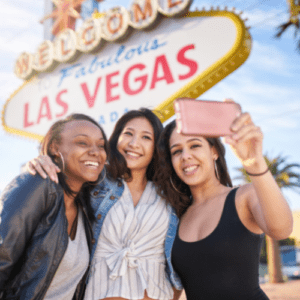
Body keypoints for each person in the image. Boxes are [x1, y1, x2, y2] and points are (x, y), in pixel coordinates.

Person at [26, 108, 183, 300]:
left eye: (146, 137)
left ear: (156, 147)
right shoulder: (95, 181)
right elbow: (65, 173)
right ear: (116, 138)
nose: (134, 143)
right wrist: (42, 161)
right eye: (128, 134)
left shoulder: (171, 192)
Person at [154, 104, 293, 300]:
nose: (185, 156)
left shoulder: (244, 196)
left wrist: (255, 163)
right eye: (176, 151)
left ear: (214, 152)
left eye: (194, 145)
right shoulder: (175, 217)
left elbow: (281, 229)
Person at [0, 114, 108, 300]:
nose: (95, 152)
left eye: (101, 145)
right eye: (82, 143)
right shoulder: (37, 184)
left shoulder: (87, 206)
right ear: (54, 148)